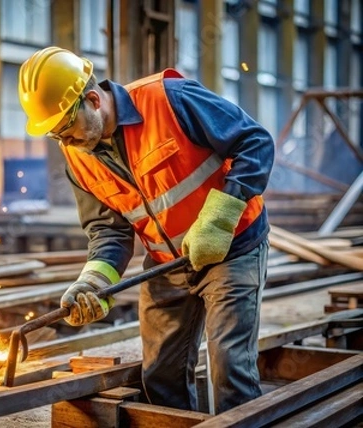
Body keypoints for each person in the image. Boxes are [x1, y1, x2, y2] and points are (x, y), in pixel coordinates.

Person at [18, 46, 274, 414]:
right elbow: (109, 231)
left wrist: (220, 217)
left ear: (93, 99)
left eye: (66, 130)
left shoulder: (169, 100)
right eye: (56, 136)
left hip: (234, 249)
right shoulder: (79, 159)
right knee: (160, 377)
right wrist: (93, 283)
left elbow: (256, 142)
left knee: (230, 371)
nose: (66, 143)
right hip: (167, 265)